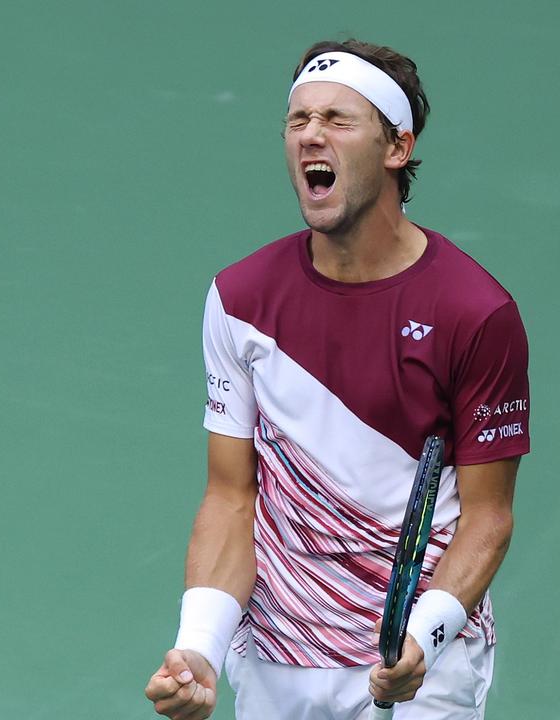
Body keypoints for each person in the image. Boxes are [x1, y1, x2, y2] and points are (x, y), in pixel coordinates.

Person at [144, 38, 530, 720]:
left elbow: (488, 517)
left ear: (396, 148)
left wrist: (426, 634)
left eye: (337, 119)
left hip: (419, 665)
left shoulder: (474, 313)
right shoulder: (241, 300)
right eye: (299, 121)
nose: (310, 135)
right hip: (276, 656)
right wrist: (198, 648)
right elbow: (232, 498)